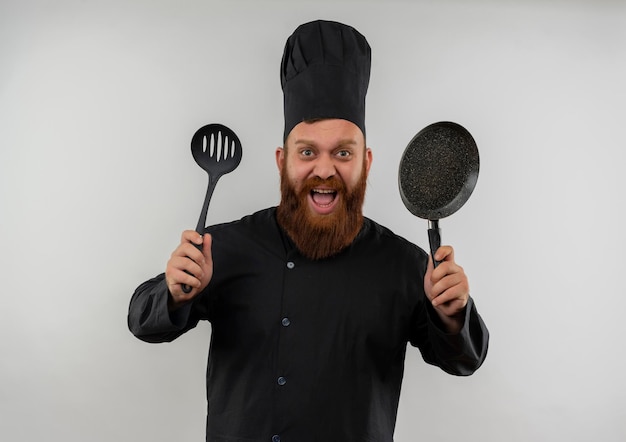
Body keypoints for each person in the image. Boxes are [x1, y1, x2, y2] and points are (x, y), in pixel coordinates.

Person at [128, 20, 489, 442]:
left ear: (365, 163)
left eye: (342, 152)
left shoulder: (406, 266)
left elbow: (465, 360)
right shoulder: (223, 249)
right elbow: (141, 319)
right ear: (282, 161)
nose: (324, 169)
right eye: (307, 152)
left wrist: (451, 314)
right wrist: (174, 291)